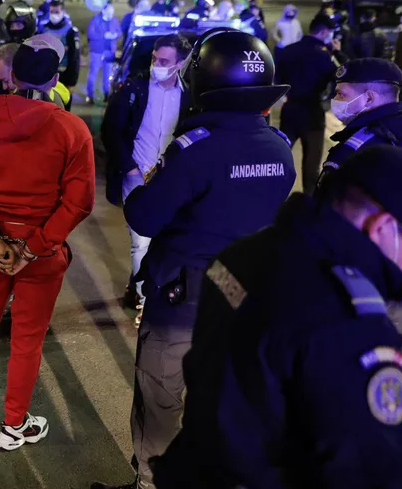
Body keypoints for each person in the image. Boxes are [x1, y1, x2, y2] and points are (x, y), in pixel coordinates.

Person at [93, 30, 296, 489]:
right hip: (244, 296)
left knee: (162, 397)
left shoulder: (196, 148)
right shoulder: (280, 147)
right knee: (223, 398)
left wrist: (147, 184)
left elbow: (144, 216)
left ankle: (151, 482)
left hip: (185, 296)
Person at [152, 144, 402, 488]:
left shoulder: (245, 253)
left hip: (197, 466)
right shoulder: (351, 327)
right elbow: (370, 470)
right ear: (384, 228)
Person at [0, 35, 95, 451]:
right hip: (40, 255)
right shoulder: (71, 129)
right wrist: (33, 247)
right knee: (27, 340)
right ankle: (13, 425)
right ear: (54, 78)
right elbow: (78, 202)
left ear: (13, 74)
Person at [101, 34, 193, 314]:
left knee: (166, 236)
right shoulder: (135, 86)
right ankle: (145, 301)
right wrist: (129, 167)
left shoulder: (189, 95)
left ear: (180, 64)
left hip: (170, 178)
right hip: (137, 177)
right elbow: (111, 130)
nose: (157, 64)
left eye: (164, 61)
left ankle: (139, 284)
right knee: (140, 241)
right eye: (155, 58)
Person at [276, 15, 348, 194]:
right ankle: (308, 203)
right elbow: (347, 74)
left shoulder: (288, 50)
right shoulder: (324, 55)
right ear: (324, 31)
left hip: (290, 109)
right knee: (311, 165)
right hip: (313, 112)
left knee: (278, 157)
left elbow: (278, 79)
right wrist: (337, 53)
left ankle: (273, 195)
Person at [316, 58, 402, 190]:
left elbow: (327, 205)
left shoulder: (354, 150)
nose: (334, 100)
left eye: (341, 94)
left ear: (369, 98)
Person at [37, 0, 81, 109]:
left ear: (63, 12)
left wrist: (72, 82)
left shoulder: (71, 32)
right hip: (46, 76)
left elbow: (75, 59)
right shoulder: (43, 29)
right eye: (51, 12)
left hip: (64, 77)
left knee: (64, 109)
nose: (53, 15)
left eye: (57, 12)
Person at [86, 3, 121, 105]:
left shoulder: (114, 20)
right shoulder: (95, 20)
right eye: (109, 12)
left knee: (108, 74)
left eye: (112, 12)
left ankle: (107, 94)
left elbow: (119, 33)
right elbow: (90, 33)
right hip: (97, 51)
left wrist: (115, 35)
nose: (111, 14)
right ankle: (90, 95)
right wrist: (104, 35)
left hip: (110, 51)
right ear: (103, 11)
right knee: (93, 73)